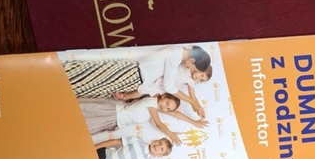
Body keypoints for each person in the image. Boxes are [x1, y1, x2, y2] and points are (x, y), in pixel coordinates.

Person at [60, 45, 212, 111]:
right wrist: (192, 102)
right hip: (131, 74)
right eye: (193, 68)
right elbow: (169, 86)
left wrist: (194, 102)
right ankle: (59, 83)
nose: (190, 69)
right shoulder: (176, 55)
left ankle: (61, 87)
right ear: (193, 60)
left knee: (93, 86)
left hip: (134, 77)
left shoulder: (178, 55)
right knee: (89, 80)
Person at [79, 93, 208, 147]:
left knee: (82, 127)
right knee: (81, 114)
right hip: (111, 114)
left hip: (113, 122)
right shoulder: (152, 103)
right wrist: (171, 134)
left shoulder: (155, 108)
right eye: (167, 103)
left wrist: (194, 122)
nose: (165, 107)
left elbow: (176, 114)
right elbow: (159, 123)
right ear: (163, 96)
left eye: (168, 108)